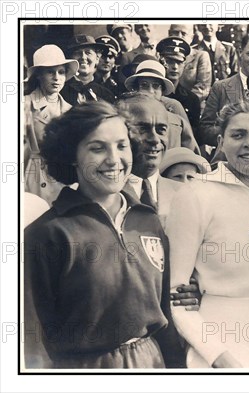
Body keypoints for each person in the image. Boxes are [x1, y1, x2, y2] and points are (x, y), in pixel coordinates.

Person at [24, 101, 183, 368]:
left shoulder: (147, 220)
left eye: (121, 146)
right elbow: (34, 340)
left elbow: (164, 312)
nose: (113, 160)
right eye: (97, 148)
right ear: (71, 155)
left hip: (152, 362)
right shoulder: (48, 234)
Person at [166, 101, 249, 368]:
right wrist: (222, 360)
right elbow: (176, 298)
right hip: (217, 343)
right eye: (238, 135)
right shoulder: (195, 194)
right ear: (222, 142)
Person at [116, 93, 183, 227]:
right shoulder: (104, 194)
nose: (155, 139)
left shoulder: (185, 194)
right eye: (142, 129)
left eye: (161, 130)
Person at [24, 44, 78, 205]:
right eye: (50, 72)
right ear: (39, 75)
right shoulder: (25, 105)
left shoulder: (70, 110)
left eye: (61, 72)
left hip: (64, 178)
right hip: (33, 177)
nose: (56, 77)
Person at [124, 59, 200, 154]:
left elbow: (192, 155)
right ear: (136, 89)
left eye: (156, 86)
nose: (150, 91)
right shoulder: (125, 119)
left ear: (162, 91)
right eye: (144, 85)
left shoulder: (177, 122)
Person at [156, 36, 202, 143]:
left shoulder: (192, 99)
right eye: (170, 61)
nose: (175, 67)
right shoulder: (155, 94)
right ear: (161, 61)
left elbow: (194, 137)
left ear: (185, 65)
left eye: (179, 62)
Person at [60, 35, 115, 105]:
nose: (83, 57)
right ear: (70, 59)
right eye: (77, 53)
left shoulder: (106, 93)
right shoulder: (61, 90)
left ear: (97, 59)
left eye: (88, 53)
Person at [168, 24, 212, 104]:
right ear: (169, 34)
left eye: (184, 34)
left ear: (191, 37)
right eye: (175, 32)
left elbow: (203, 88)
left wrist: (180, 104)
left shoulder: (200, 56)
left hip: (192, 104)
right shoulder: (161, 55)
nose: (179, 36)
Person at [94, 35, 123, 100]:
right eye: (103, 56)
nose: (107, 60)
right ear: (95, 58)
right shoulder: (88, 82)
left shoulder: (119, 85)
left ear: (115, 61)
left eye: (110, 57)